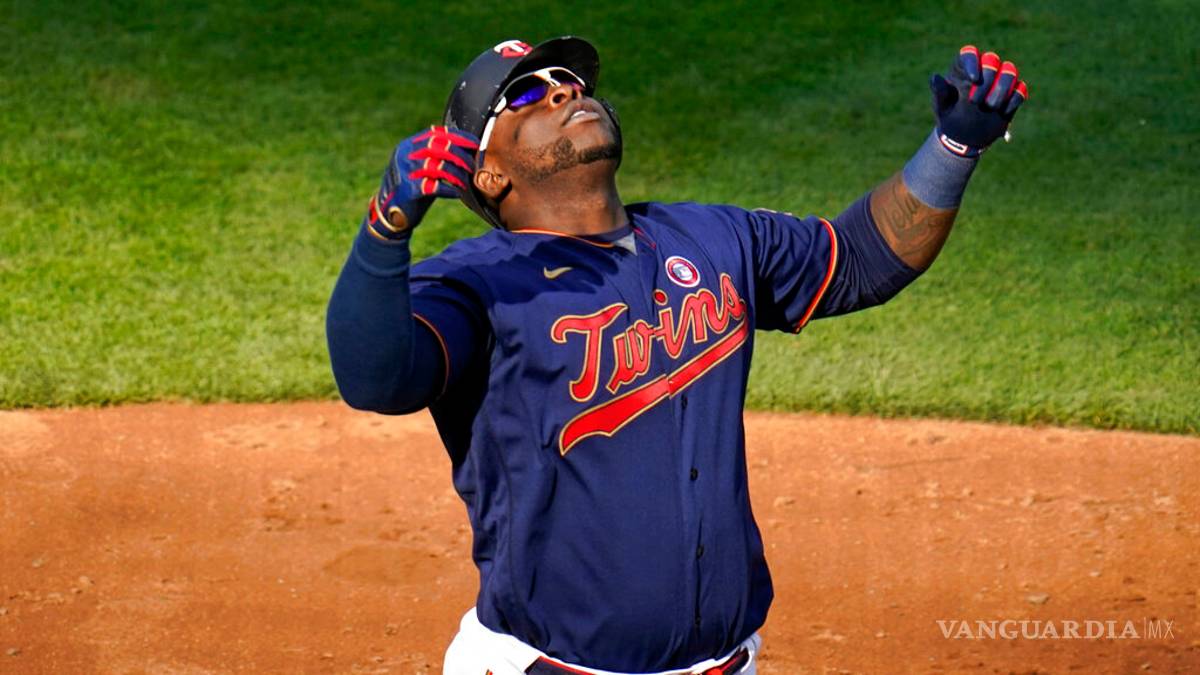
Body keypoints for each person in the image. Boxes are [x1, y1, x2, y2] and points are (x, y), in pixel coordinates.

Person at [326, 37, 1027, 675]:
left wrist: (955, 145)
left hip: (726, 663)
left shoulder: (712, 238)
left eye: (572, 81)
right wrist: (385, 227)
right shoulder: (472, 283)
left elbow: (860, 259)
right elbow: (376, 379)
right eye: (528, 94)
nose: (566, 90)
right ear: (488, 174)